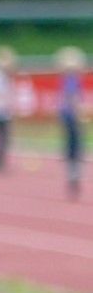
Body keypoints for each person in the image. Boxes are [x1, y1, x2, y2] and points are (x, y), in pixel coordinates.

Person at [58, 46, 84, 199]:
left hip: (66, 115)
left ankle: (72, 172)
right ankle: (73, 173)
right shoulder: (72, 79)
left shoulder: (65, 78)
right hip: (71, 116)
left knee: (71, 145)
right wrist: (78, 112)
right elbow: (72, 97)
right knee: (75, 146)